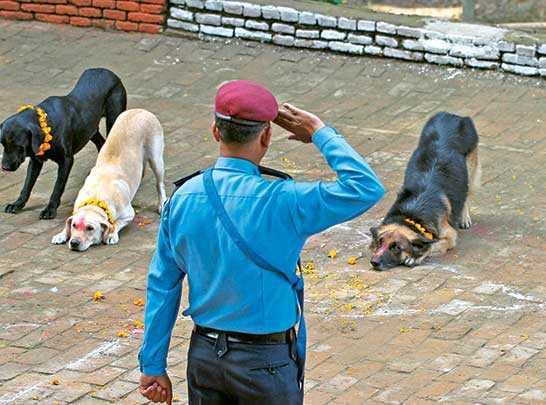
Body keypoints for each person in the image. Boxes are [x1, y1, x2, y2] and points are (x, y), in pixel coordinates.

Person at [136, 80, 385, 404]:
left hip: (205, 358)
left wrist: (153, 364)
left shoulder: (182, 198)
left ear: (214, 131)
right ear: (267, 136)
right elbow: (365, 187)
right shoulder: (284, 200)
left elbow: (162, 284)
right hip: (266, 363)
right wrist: (319, 132)